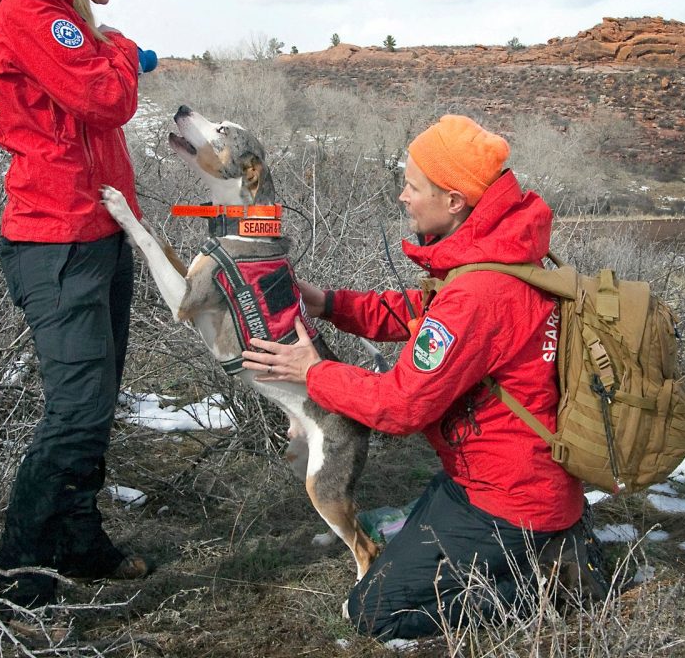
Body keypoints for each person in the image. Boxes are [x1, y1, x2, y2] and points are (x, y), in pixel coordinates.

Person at [241, 115, 607, 639]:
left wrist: (314, 372)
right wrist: (329, 304)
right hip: (505, 479)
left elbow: (401, 405)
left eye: (412, 186)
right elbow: (424, 311)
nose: (403, 197)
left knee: (372, 612)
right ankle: (553, 541)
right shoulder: (501, 253)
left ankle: (553, 584)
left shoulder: (481, 292)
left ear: (454, 200)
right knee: (401, 539)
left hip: (509, 498)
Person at [0, 0, 158, 608]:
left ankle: (78, 540)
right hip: (56, 239)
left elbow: (90, 96)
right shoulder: (31, 11)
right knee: (74, 412)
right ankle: (17, 580)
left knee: (95, 404)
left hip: (92, 229)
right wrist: (124, 50)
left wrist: (105, 47)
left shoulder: (57, 12)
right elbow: (106, 97)